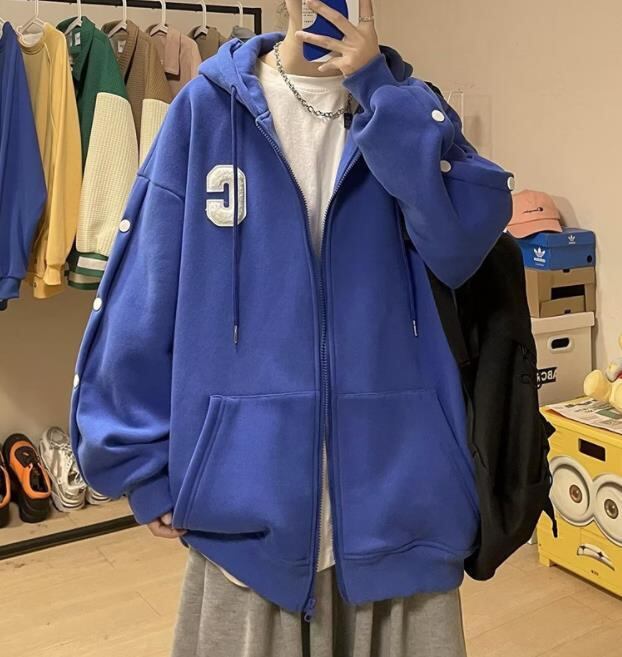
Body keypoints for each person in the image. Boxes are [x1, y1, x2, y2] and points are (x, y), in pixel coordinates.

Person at [70, 0, 515, 654]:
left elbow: (459, 247)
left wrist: (376, 89)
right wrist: (140, 458)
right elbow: (146, 285)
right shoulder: (207, 110)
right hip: (244, 514)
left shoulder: (407, 109)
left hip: (404, 502)